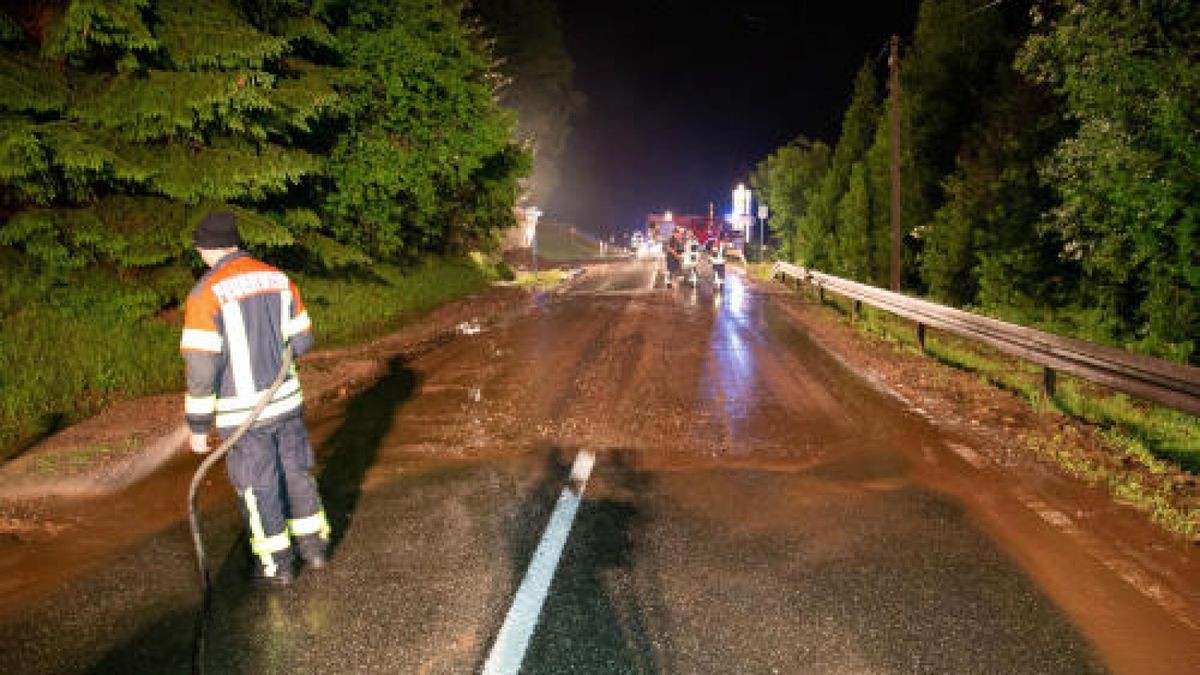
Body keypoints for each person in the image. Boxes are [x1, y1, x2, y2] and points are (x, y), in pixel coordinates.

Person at [181, 211, 330, 587]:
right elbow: (303, 340)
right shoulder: (278, 279)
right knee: (296, 473)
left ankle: (275, 567)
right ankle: (313, 551)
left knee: (257, 485)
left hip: (244, 417)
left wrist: (198, 428)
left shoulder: (205, 295)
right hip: (287, 404)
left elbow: (201, 369)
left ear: (205, 249)